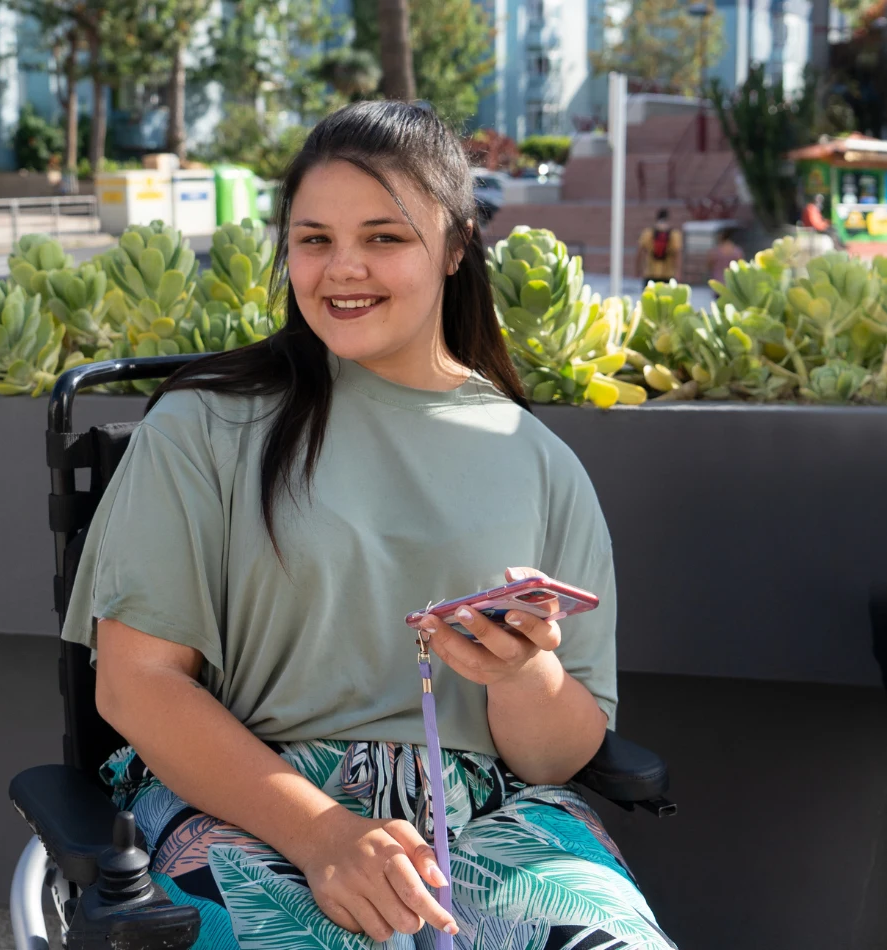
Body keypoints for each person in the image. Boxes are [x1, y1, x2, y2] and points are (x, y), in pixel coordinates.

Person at [63, 100, 675, 949]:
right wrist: (323, 835)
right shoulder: (202, 426)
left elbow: (553, 757)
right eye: (313, 240)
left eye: (384, 238)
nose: (341, 269)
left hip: (497, 818)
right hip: (253, 804)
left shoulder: (538, 461)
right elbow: (136, 685)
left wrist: (520, 673)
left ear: (456, 248)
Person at [636, 208, 681, 286]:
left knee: (649, 297)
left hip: (650, 273)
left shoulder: (648, 232)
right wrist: (678, 272)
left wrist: (638, 269)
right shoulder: (674, 234)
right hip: (668, 274)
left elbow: (640, 252)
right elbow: (677, 254)